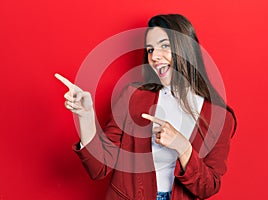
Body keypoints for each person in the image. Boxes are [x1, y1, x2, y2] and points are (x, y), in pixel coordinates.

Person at [55, 14, 237, 200]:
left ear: (186, 49)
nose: (154, 56)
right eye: (150, 50)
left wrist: (183, 148)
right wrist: (86, 115)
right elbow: (99, 168)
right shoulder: (133, 97)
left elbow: (208, 188)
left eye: (164, 45)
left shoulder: (221, 117)